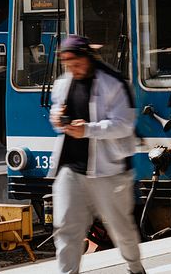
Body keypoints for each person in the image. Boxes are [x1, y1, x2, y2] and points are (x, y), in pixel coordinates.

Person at [48, 35, 145, 274]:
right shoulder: (63, 83)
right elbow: (55, 114)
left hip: (108, 170)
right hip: (71, 168)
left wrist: (88, 130)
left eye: (76, 62)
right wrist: (57, 119)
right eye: (67, 63)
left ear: (87, 57)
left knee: (120, 227)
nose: (72, 68)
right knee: (66, 227)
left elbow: (124, 125)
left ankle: (135, 268)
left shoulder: (114, 84)